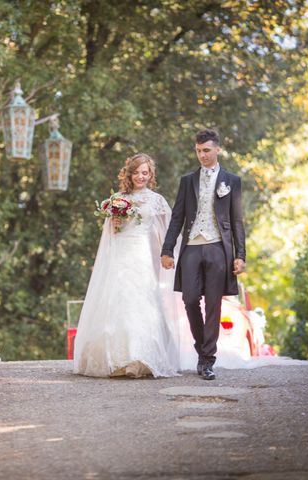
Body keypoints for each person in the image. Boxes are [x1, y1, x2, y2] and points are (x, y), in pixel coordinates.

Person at [73, 154, 179, 378]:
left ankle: (140, 358)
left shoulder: (156, 200)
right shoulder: (118, 199)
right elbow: (111, 233)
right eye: (136, 172)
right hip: (120, 252)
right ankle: (115, 358)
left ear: (150, 175)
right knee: (116, 298)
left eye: (145, 173)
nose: (140, 176)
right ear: (129, 174)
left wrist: (167, 254)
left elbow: (166, 231)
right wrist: (115, 222)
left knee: (141, 300)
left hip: (140, 254)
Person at [161, 129, 246, 381]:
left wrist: (240, 254)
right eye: (198, 151)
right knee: (189, 299)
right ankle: (201, 348)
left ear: (217, 149)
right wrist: (167, 249)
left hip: (218, 247)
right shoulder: (187, 181)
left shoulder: (232, 181)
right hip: (192, 246)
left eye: (206, 150)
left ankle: (207, 359)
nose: (202, 155)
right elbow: (177, 217)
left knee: (213, 305)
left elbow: (237, 220)